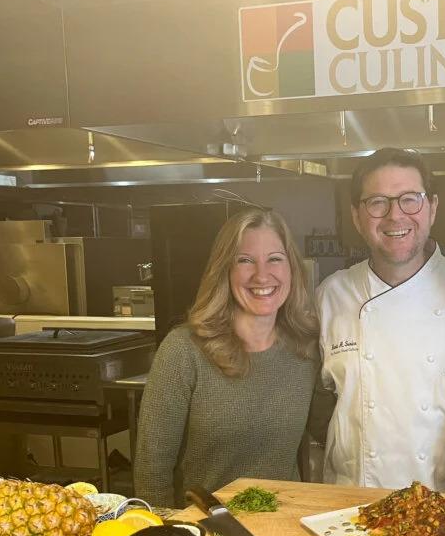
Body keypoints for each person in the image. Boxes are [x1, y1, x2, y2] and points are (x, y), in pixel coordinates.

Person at [317, 148, 445, 494]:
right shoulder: (330, 296)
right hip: (352, 503)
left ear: (432, 208)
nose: (395, 215)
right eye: (377, 202)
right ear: (357, 217)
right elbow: (314, 404)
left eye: (410, 199)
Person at [134, 207, 320, 507]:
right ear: (224, 270)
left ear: (292, 269)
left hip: (286, 529)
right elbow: (151, 470)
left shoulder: (306, 350)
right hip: (203, 535)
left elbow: (334, 429)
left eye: (275, 259)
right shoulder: (183, 351)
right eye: (245, 260)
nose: (262, 274)